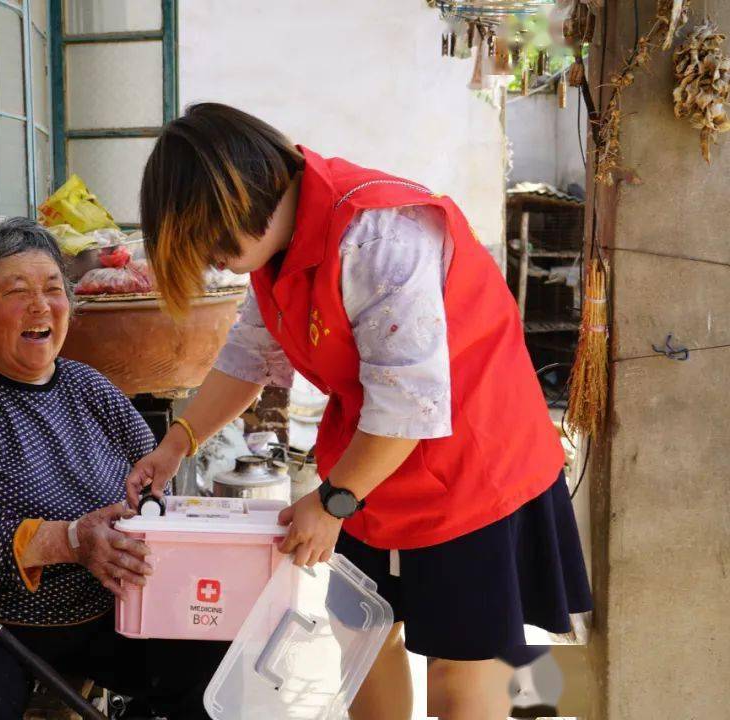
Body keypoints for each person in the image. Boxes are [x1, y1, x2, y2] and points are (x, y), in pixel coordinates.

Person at [126, 103, 593, 720]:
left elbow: (409, 401)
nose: (210, 260)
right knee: (363, 635)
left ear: (235, 201)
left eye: (204, 242)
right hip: (372, 460)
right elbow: (250, 355)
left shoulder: (379, 238)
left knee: (462, 660)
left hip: (473, 461)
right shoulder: (276, 247)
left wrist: (331, 503)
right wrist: (175, 445)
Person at [0, 217, 225, 720]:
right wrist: (72, 540)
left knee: (214, 660)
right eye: (17, 291)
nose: (41, 305)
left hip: (95, 611)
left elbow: (153, 491)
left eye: (53, 289)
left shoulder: (90, 387)